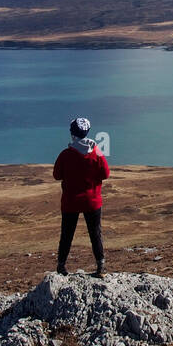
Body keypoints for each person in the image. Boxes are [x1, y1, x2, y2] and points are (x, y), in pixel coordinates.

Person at [52, 117, 110, 276]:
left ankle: (61, 266)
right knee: (95, 233)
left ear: (72, 133)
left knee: (66, 235)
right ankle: (101, 266)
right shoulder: (97, 151)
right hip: (92, 201)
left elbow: (57, 175)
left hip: (70, 202)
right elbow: (105, 173)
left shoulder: (66, 154)